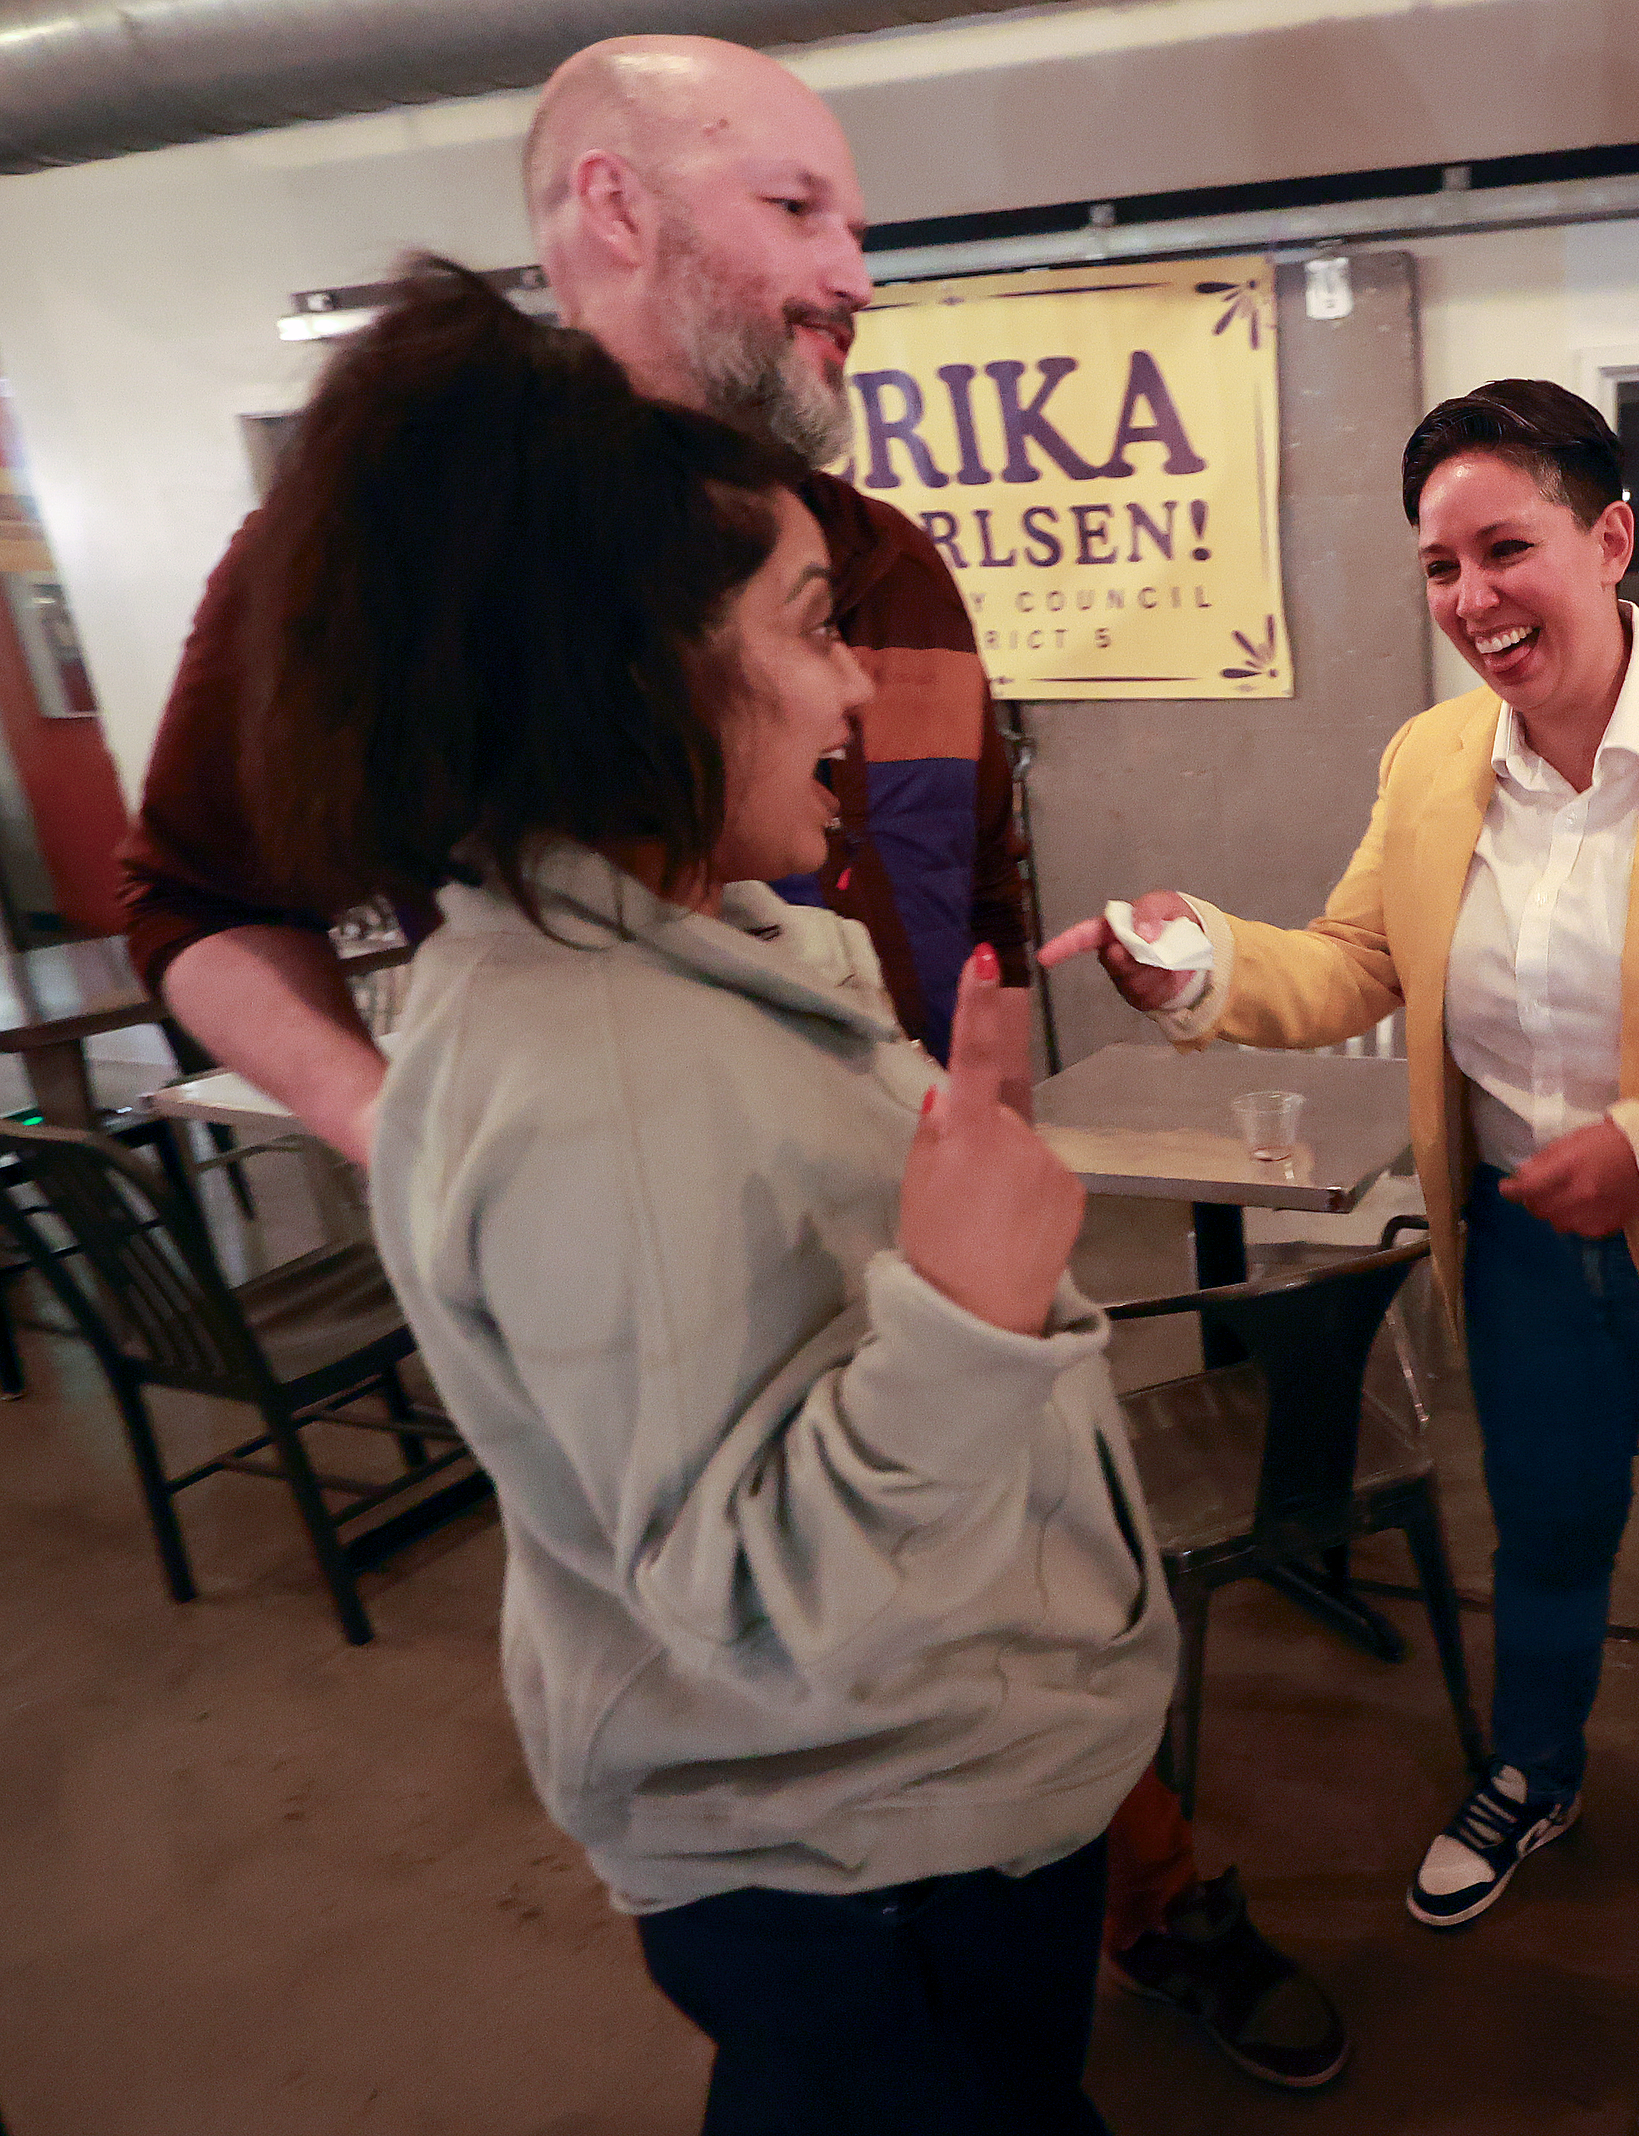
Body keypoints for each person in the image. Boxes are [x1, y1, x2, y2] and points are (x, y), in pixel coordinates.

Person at [113, 34, 1342, 2089]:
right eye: (800, 209)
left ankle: (1130, 1875)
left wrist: (985, 1166)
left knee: (987, 1765)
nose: (858, 266)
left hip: (940, 1352)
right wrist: (420, 1142)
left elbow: (963, 923)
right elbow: (192, 900)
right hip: (761, 1472)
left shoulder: (886, 564)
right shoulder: (394, 576)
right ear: (614, 209)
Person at [236, 257, 1175, 2134]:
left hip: (902, 1805)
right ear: (632, 660)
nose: (848, 685)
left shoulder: (660, 959)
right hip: (864, 1857)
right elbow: (751, 1591)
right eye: (813, 624)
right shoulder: (595, 1070)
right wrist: (974, 1314)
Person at [1046, 379, 1639, 2032]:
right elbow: (1360, 966)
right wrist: (1205, 961)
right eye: (1438, 567)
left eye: (1504, 549)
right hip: (1529, 1241)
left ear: (1608, 541)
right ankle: (1535, 1773)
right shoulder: (1435, 759)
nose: (1470, 601)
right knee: (1545, 1541)